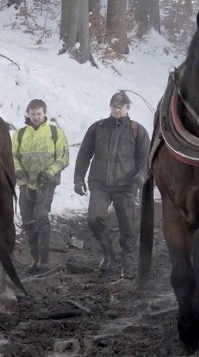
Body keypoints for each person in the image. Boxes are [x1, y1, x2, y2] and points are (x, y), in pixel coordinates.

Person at [74, 91, 150, 279]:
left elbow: (146, 158)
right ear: (110, 107)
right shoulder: (97, 128)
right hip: (100, 184)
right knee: (94, 219)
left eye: (121, 107)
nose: (117, 110)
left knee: (128, 228)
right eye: (114, 107)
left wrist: (142, 175)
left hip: (125, 186)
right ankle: (109, 252)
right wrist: (78, 178)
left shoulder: (137, 130)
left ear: (128, 108)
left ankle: (128, 263)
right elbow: (84, 154)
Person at [12, 99, 69, 273]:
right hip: (25, 184)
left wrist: (50, 172)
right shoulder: (20, 134)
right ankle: (35, 259)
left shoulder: (55, 133)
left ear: (45, 114)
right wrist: (18, 170)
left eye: (39, 114)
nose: (36, 117)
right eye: (33, 114)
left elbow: (63, 158)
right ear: (28, 114)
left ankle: (45, 261)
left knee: (41, 217)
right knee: (28, 221)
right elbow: (12, 156)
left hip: (46, 183)